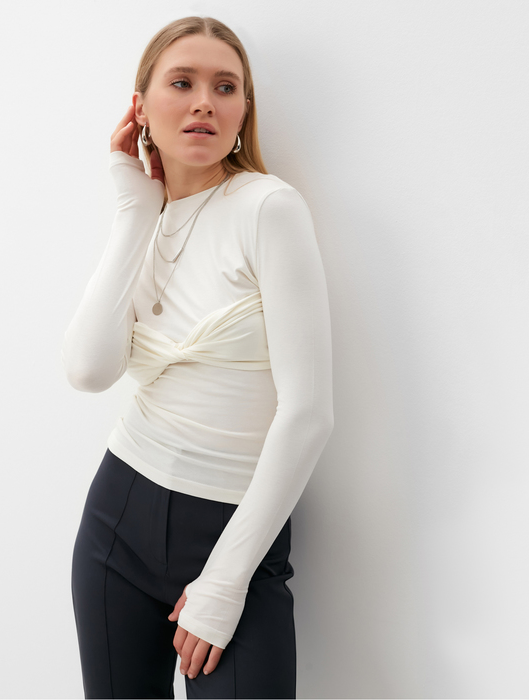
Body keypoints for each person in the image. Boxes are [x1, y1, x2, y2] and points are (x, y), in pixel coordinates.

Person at [61, 15, 334, 700]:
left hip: (236, 529)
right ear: (141, 107)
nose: (204, 102)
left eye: (225, 87)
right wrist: (134, 209)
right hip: (118, 517)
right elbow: (89, 371)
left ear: (243, 111)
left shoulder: (268, 209)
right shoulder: (145, 217)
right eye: (181, 83)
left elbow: (308, 414)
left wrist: (224, 581)